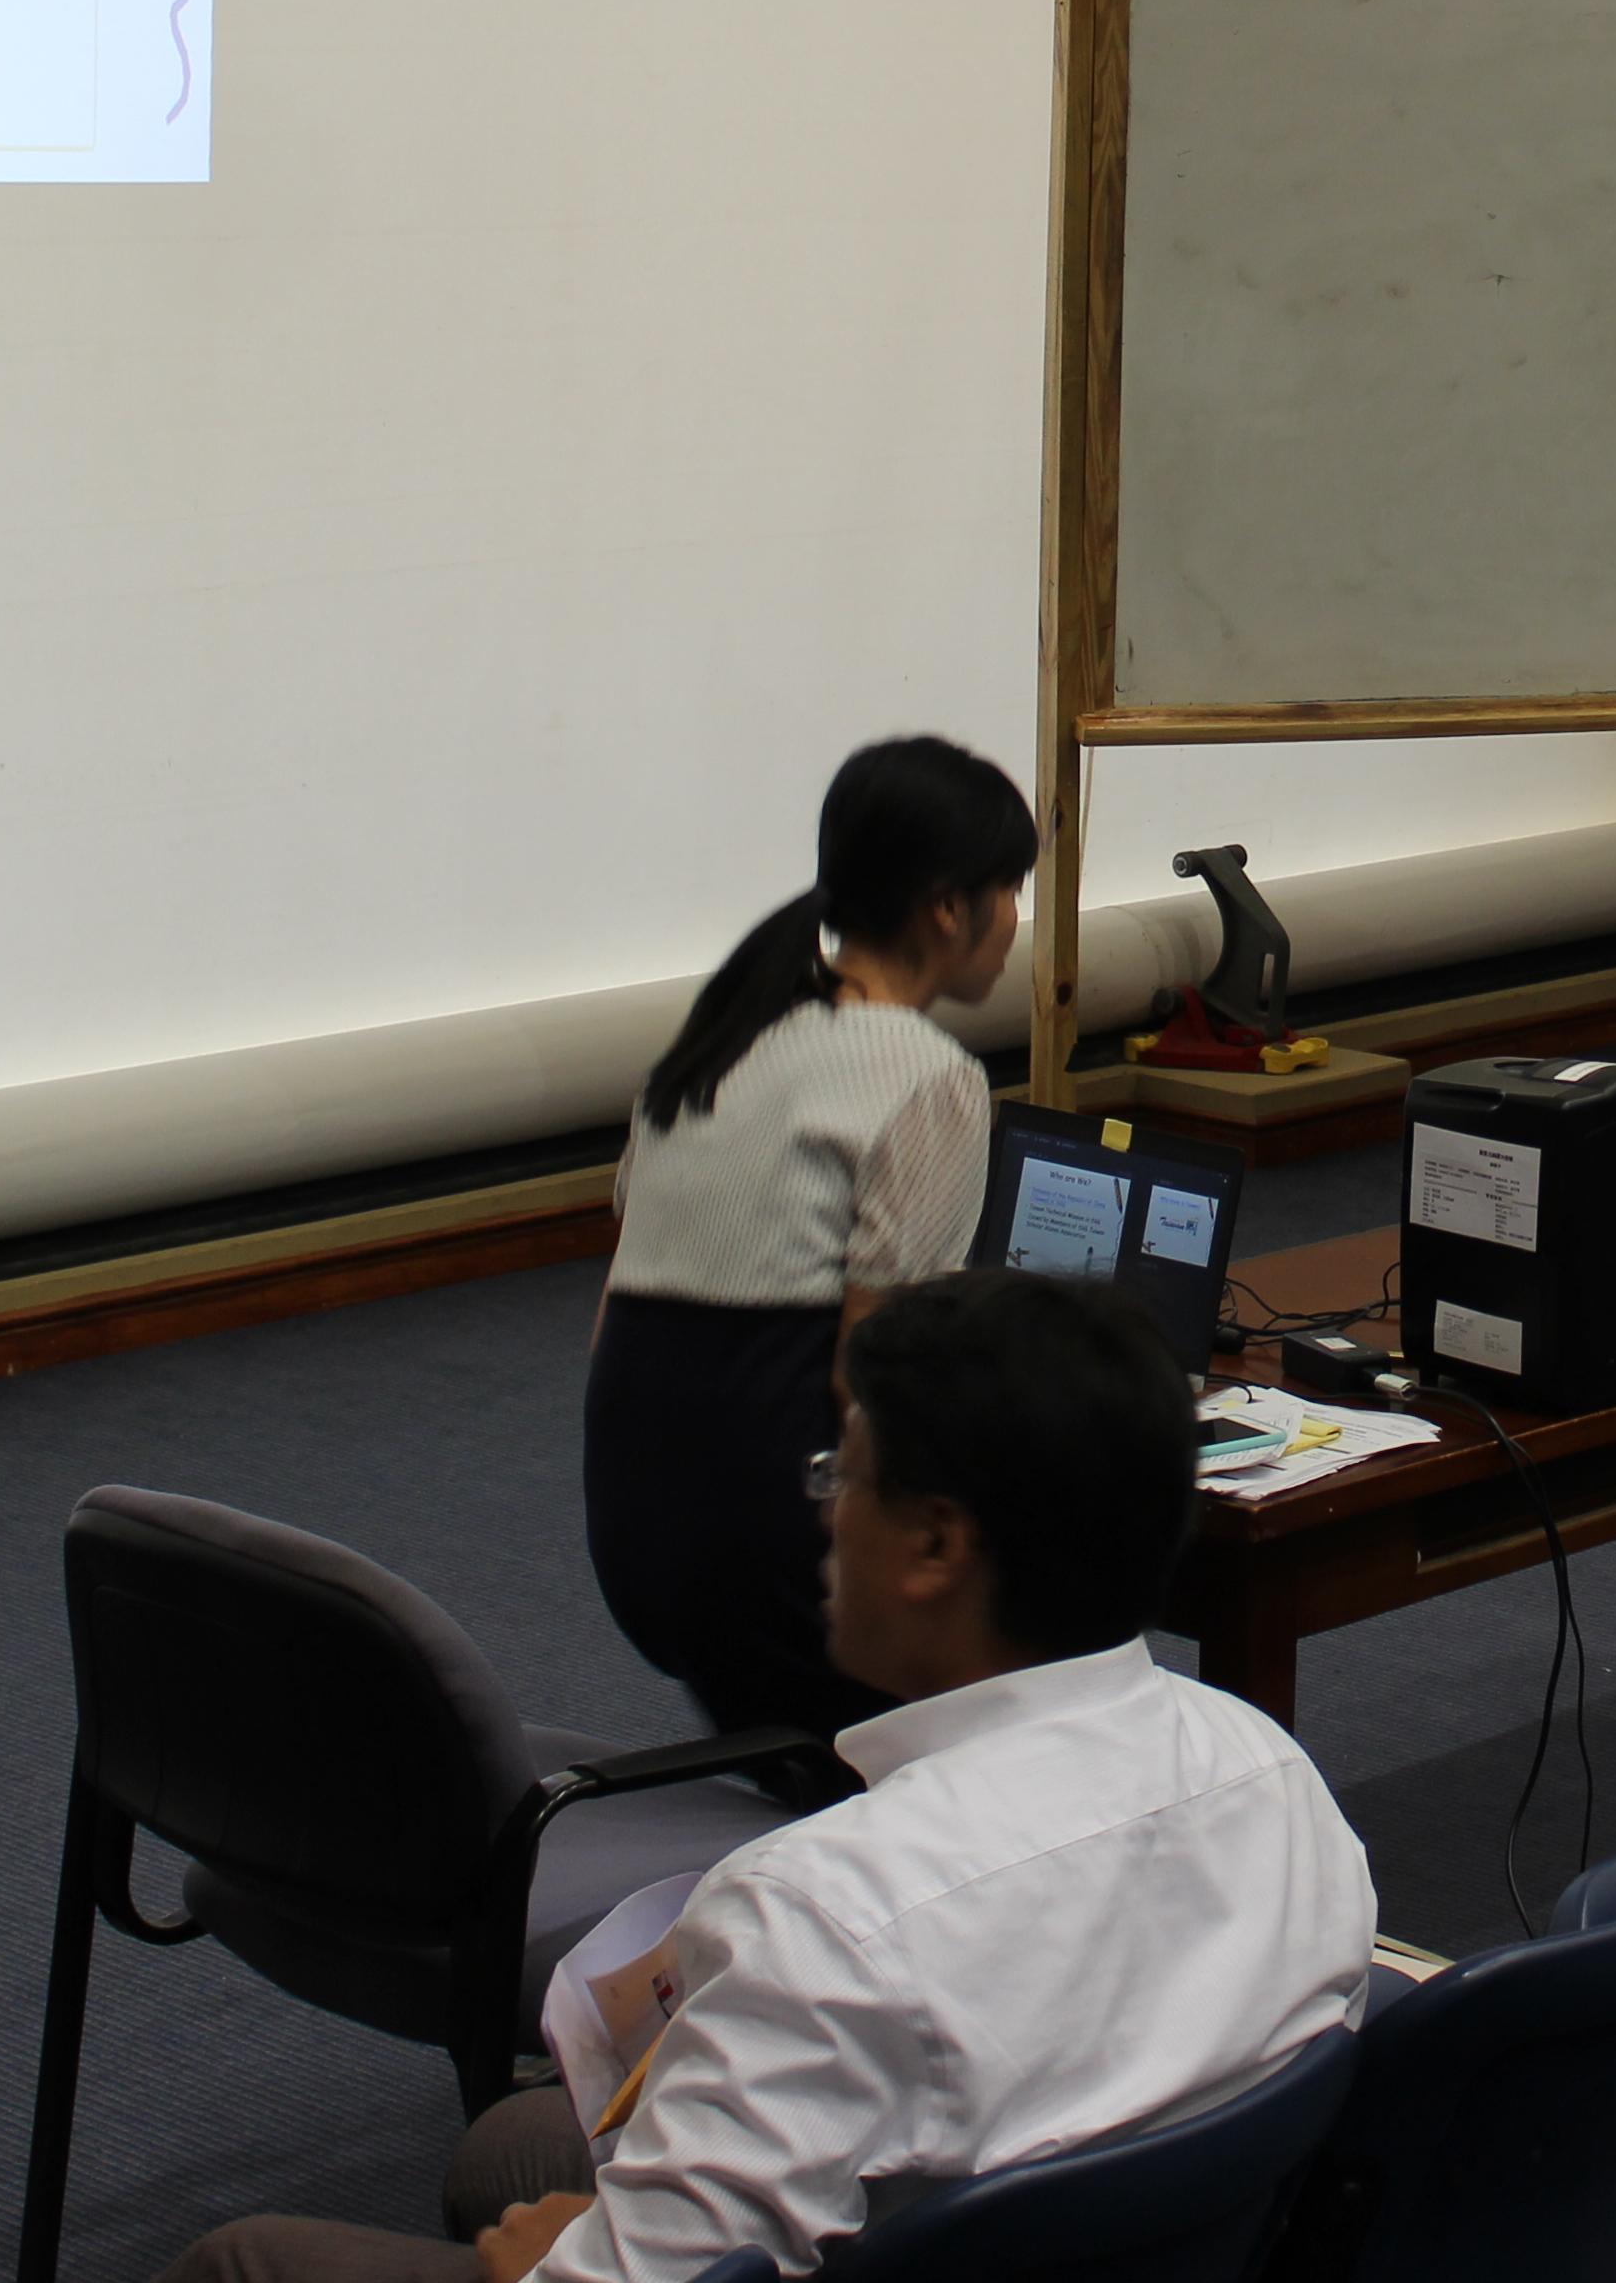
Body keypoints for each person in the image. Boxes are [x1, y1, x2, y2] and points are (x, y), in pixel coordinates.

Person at [156, 1271, 1378, 2283]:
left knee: (244, 2261)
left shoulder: (818, 1911)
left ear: (936, 1544)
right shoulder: (1274, 1775)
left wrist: (538, 2269)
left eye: (842, 1473)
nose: (823, 1511)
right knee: (511, 2149)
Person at [586, 737, 1034, 1738]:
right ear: (946, 907)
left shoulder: (714, 1047)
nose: (1016, 919)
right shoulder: (927, 1075)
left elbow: (613, 1319)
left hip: (636, 1541)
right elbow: (870, 1378)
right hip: (779, 1564)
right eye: (1010, 889)